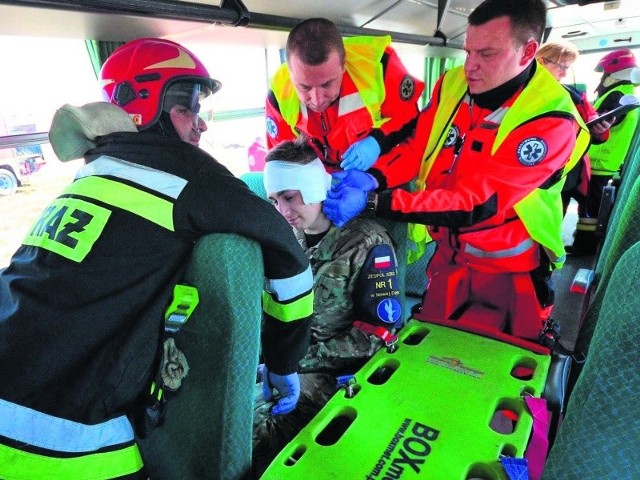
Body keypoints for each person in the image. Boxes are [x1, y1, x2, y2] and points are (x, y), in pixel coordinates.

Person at [0, 37, 314, 479]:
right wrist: (284, 363)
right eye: (189, 105)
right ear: (146, 107)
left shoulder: (91, 172)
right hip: (61, 429)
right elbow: (290, 259)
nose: (201, 125)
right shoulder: (189, 177)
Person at [324, 0, 591, 343]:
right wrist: (376, 175)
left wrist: (373, 200)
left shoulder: (550, 117)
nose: (470, 67)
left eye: (486, 54)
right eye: (467, 52)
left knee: (504, 369)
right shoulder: (452, 85)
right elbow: (418, 149)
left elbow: (476, 205)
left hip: (512, 273)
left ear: (527, 52)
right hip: (449, 260)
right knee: (429, 350)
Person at [252, 137, 402, 476]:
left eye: (289, 197)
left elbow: (377, 336)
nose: (282, 211)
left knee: (249, 416)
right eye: (274, 200)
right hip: (281, 363)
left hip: (334, 375)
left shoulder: (366, 242)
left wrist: (290, 362)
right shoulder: (284, 237)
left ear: (315, 187)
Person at [266, 17, 425, 190]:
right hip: (323, 186)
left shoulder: (378, 66)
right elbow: (282, 164)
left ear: (343, 64)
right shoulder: (279, 94)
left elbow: (410, 118)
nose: (317, 99)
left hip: (383, 176)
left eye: (327, 84)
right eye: (304, 87)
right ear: (290, 72)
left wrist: (378, 142)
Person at [571, 48, 640, 255]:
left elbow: (601, 122)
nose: (603, 78)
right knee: (588, 206)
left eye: (605, 74)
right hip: (605, 161)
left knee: (589, 210)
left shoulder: (617, 95)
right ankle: (583, 244)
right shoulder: (626, 94)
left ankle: (584, 247)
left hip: (599, 161)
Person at [536, 41, 611, 219]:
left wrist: (598, 128)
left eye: (568, 67)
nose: (564, 72)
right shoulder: (520, 90)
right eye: (561, 65)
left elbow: (590, 122)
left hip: (567, 172)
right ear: (540, 61)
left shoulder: (572, 94)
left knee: (554, 219)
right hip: (538, 170)